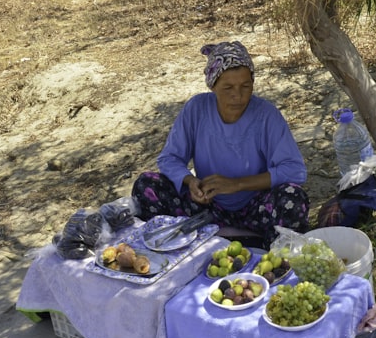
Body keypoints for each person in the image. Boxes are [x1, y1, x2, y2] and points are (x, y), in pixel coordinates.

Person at [131, 40, 310, 245]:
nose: (238, 95)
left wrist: (237, 185)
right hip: (207, 207)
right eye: (227, 88)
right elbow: (170, 158)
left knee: (292, 199)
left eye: (245, 86)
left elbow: (295, 171)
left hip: (257, 209)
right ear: (213, 86)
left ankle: (272, 256)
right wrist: (191, 183)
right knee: (147, 185)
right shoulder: (197, 109)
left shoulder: (266, 115)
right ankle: (174, 250)